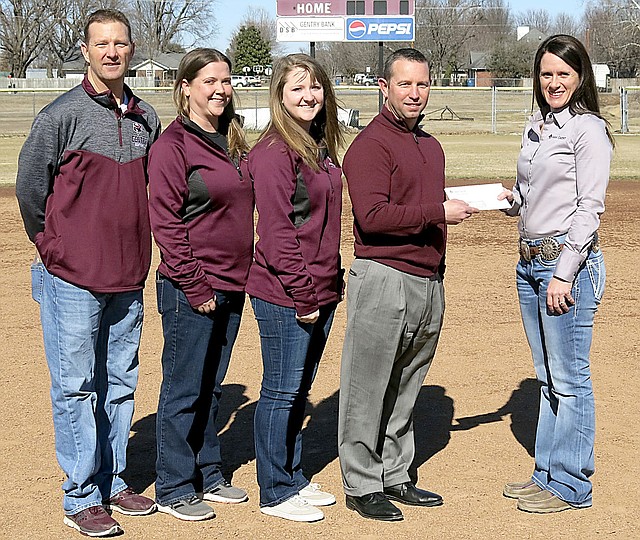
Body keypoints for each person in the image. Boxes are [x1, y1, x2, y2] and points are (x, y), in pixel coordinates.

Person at [15, 9, 161, 537]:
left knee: (119, 383)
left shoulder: (147, 118)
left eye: (120, 43)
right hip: (72, 277)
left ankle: (112, 477)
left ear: (131, 49)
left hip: (128, 275)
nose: (112, 52)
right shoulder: (60, 115)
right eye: (102, 44)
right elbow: (32, 189)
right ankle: (80, 493)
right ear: (85, 49)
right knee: (76, 386)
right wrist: (52, 243)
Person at [338, 48, 478, 522]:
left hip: (427, 279)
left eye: (422, 84)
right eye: (404, 85)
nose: (415, 94)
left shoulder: (430, 146)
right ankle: (361, 481)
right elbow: (373, 217)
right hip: (383, 277)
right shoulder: (369, 146)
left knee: (407, 385)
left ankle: (396, 473)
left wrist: (478, 199)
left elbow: (421, 201)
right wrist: (439, 212)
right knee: (367, 387)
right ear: (384, 87)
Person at [499, 34, 612, 513]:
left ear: (580, 76)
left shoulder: (588, 130)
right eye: (546, 73)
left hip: (565, 266)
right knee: (548, 376)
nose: (553, 82)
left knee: (569, 378)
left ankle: (571, 484)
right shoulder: (538, 125)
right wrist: (513, 202)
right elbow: (535, 192)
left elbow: (589, 208)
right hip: (529, 262)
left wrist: (564, 273)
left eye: (563, 73)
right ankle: (547, 472)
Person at [148, 48, 253, 521]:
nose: (220, 88)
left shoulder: (230, 139)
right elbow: (167, 225)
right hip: (192, 287)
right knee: (184, 387)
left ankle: (208, 472)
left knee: (211, 385)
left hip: (233, 283)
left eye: (226, 80)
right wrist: (196, 285)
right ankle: (172, 486)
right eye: (209, 80)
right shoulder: (173, 146)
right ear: (186, 86)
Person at [247, 53, 345, 523]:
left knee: (300, 389)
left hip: (320, 289)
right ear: (279, 97)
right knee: (282, 391)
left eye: (316, 88)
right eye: (297, 89)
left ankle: (292, 473)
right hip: (286, 293)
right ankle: (274, 489)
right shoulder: (272, 152)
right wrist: (305, 293)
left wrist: (331, 279)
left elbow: (323, 223)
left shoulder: (317, 147)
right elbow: (279, 234)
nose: (309, 97)